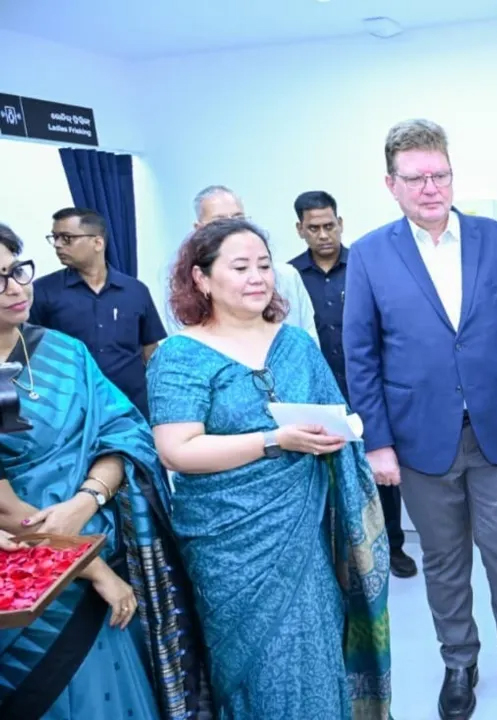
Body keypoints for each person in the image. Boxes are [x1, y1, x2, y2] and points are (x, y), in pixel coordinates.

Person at [343, 118, 497, 720]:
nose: (430, 187)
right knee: (443, 561)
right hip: (419, 440)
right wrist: (377, 442)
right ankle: (459, 662)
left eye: (439, 174)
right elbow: (361, 356)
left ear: (452, 174)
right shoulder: (370, 255)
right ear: (391, 184)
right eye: (416, 178)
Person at [147, 218, 391, 719]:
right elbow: (177, 450)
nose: (257, 277)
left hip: (303, 531)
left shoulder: (296, 344)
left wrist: (335, 435)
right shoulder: (180, 355)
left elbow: (337, 417)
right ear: (201, 278)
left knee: (314, 645)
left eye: (264, 265)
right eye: (240, 267)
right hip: (226, 541)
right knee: (255, 664)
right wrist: (274, 440)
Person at [0, 222, 211, 719]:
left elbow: (125, 433)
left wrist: (87, 499)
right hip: (27, 577)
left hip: (100, 540)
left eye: (16, 270)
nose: (14, 287)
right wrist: (92, 570)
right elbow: (6, 508)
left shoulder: (65, 352)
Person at [288, 190, 417, 579]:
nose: (324, 234)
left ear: (340, 223)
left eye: (329, 226)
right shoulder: (290, 276)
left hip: (370, 389)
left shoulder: (364, 266)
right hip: (319, 393)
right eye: (314, 228)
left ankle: (393, 546)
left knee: (382, 468)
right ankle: (341, 555)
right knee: (328, 474)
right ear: (300, 229)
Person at [29, 207, 166, 418]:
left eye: (67, 238)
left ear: (98, 243)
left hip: (133, 407)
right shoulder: (42, 291)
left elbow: (151, 351)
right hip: (73, 409)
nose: (57, 245)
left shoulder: (135, 290)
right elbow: (31, 352)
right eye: (54, 238)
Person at [176, 185, 320, 344]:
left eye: (239, 219)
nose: (232, 228)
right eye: (220, 222)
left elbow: (310, 340)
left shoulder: (286, 276)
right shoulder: (185, 290)